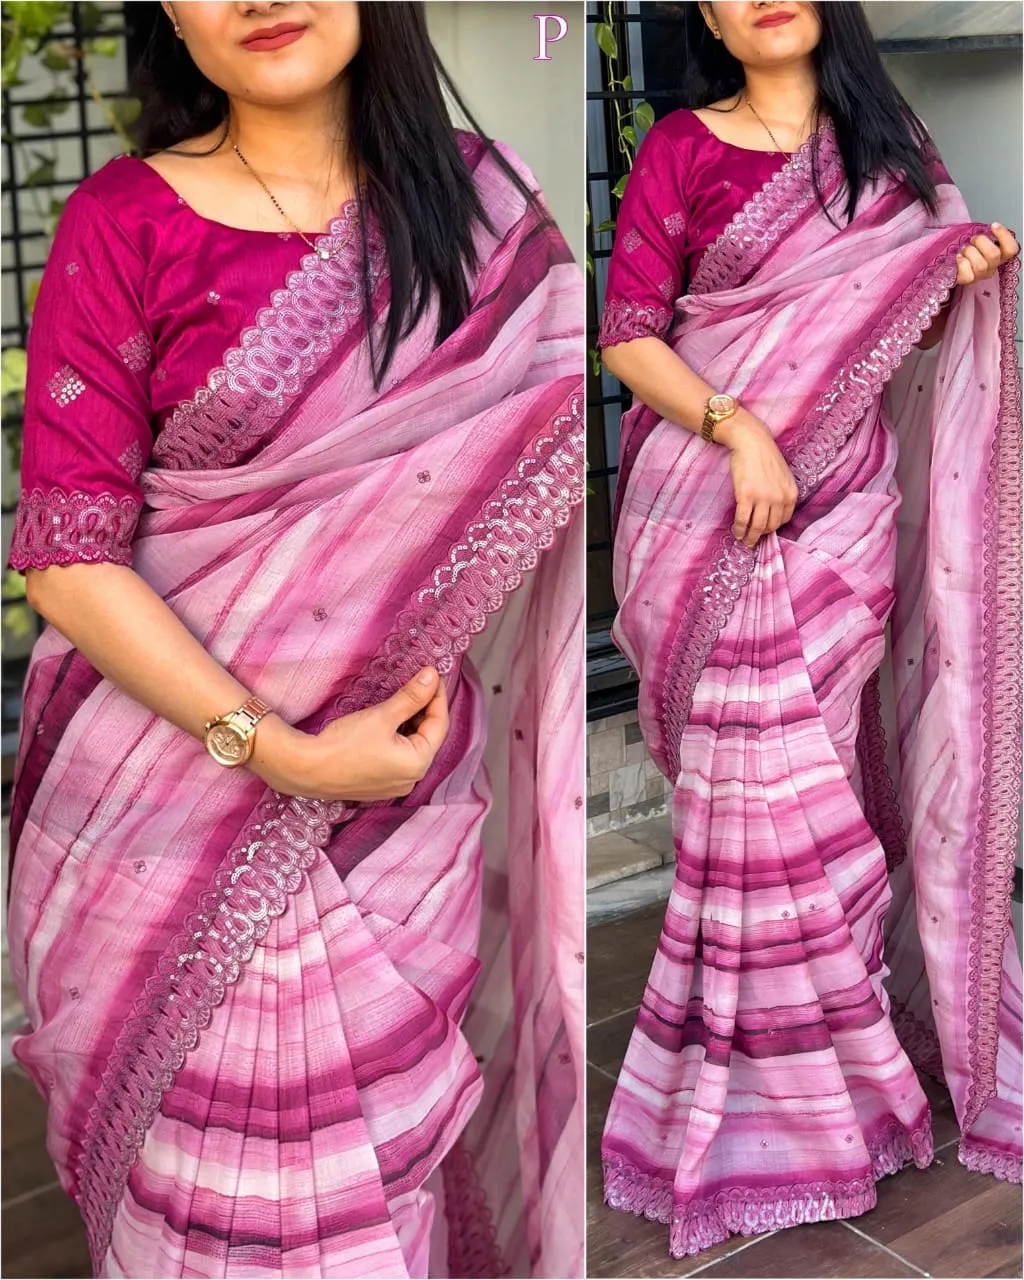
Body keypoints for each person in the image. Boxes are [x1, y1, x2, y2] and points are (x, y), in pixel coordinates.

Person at [5, 3, 585, 1276]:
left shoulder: (485, 213)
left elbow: (537, 463)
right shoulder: (124, 222)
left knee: (377, 1170)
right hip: (162, 818)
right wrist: (281, 752)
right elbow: (68, 557)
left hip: (400, 810)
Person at [596, 0, 1021, 1261]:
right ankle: (781, 1111)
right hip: (708, 511)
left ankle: (839, 1078)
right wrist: (741, 429)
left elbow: (903, 333)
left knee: (816, 788)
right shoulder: (682, 149)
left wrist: (951, 279)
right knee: (751, 801)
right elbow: (628, 334)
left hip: (844, 516)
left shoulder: (889, 145)